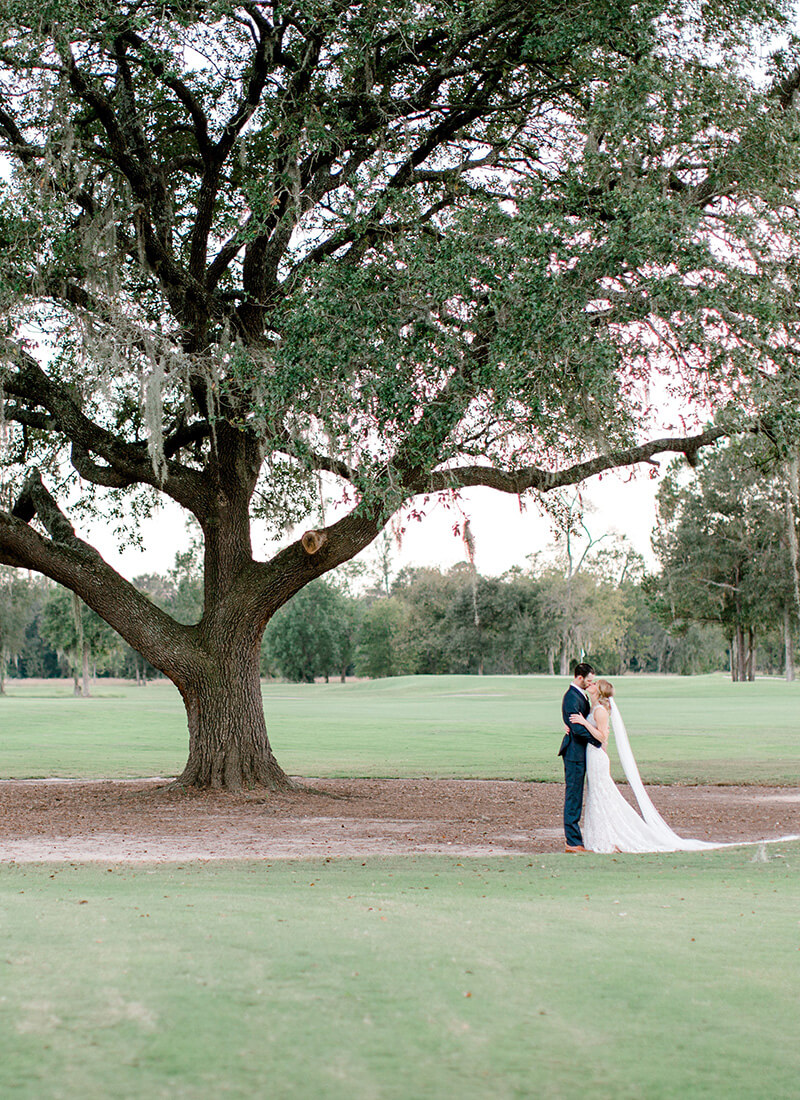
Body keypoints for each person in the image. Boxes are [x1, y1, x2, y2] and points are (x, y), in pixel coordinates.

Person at [558, 661, 601, 853]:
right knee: (573, 797)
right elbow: (576, 728)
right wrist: (597, 739)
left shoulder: (580, 695)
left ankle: (576, 839)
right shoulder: (571, 697)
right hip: (574, 753)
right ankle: (572, 842)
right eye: (589, 681)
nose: (591, 684)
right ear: (579, 677)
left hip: (581, 752)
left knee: (578, 796)